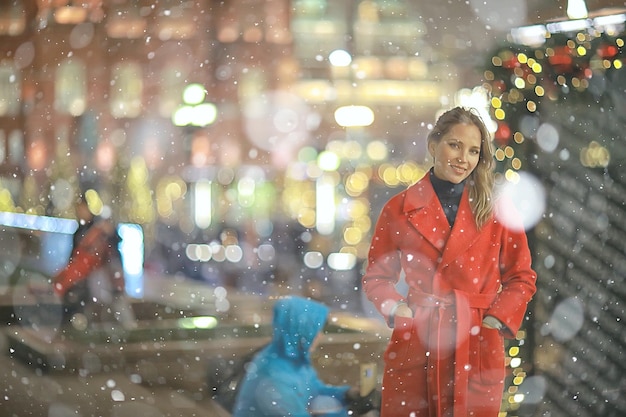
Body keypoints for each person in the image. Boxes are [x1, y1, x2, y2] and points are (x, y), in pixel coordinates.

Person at [362, 107, 537, 417]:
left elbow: (521, 276)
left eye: (473, 150)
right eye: (455, 145)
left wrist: (493, 320)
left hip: (476, 341)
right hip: (418, 338)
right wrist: (397, 309)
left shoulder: (497, 209)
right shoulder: (399, 208)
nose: (463, 158)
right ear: (433, 145)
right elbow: (377, 277)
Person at [232, 296, 379, 417]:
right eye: (314, 330)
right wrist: (350, 413)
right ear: (300, 331)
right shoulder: (274, 377)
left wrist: (347, 394)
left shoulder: (291, 359)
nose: (320, 336)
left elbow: (314, 390)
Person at [52, 194, 133, 328]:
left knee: (112, 301)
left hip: (103, 274)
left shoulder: (99, 226)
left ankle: (122, 328)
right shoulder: (82, 229)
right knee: (93, 302)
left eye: (82, 208)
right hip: (89, 275)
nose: (80, 212)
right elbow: (75, 255)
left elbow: (113, 245)